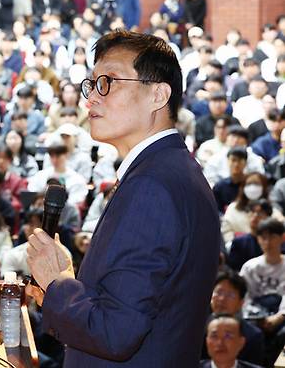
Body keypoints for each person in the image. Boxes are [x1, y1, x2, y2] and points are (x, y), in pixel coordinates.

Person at [26, 31, 220, 366]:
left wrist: (55, 285)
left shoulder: (153, 185)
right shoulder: (168, 170)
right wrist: (71, 280)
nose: (92, 99)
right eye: (91, 84)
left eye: (109, 82)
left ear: (158, 94)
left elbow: (116, 332)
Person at [239, 218, 285, 366]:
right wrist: (258, 318)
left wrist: (279, 317)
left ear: (282, 237)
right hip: (255, 315)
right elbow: (245, 296)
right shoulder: (250, 267)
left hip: (281, 315)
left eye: (272, 236)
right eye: (263, 237)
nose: (267, 242)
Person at [203, 272, 265, 366]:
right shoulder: (195, 330)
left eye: (230, 295)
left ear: (241, 303)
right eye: (219, 292)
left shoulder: (253, 336)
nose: (222, 299)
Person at [221, 173, 270, 243]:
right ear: (243, 187)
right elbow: (226, 232)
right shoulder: (232, 208)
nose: (253, 187)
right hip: (238, 248)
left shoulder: (272, 210)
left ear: (264, 187)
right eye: (249, 184)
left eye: (256, 184)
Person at [212, 147, 247, 213]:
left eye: (240, 160)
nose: (236, 164)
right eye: (233, 160)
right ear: (228, 161)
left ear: (245, 162)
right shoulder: (219, 186)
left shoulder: (249, 183)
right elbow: (216, 210)